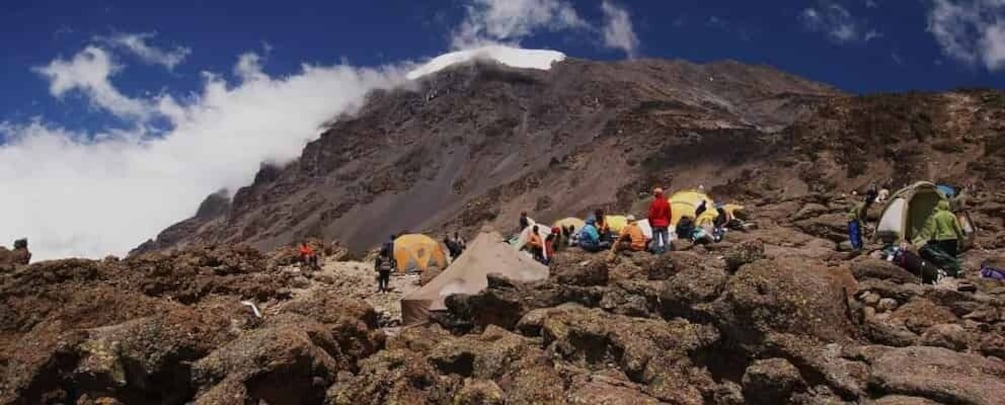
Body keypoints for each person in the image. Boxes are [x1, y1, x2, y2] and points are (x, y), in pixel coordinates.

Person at [648, 187, 672, 254]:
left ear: (656, 194)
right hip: (664, 224)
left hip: (655, 224)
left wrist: (651, 224)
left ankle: (657, 255)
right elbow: (669, 214)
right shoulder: (666, 203)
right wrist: (668, 222)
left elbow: (650, 215)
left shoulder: (653, 203)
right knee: (665, 240)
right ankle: (667, 254)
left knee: (656, 241)